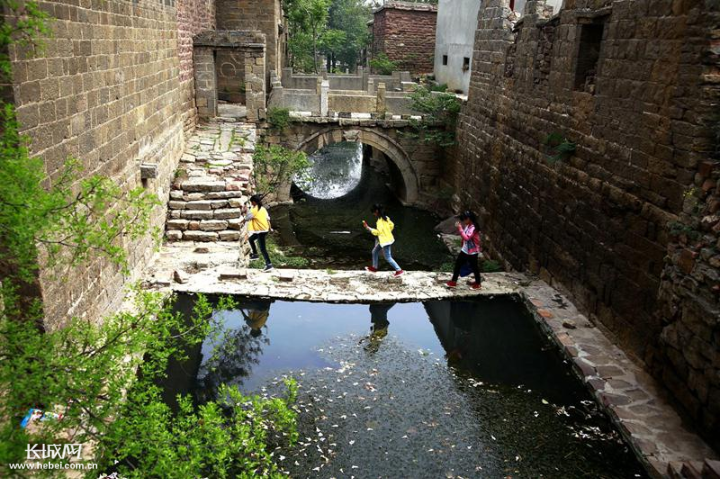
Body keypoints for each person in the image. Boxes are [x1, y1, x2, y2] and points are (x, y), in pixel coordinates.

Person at [363, 204, 404, 277]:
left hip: (385, 241)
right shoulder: (386, 218)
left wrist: (368, 228)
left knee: (388, 257)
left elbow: (378, 232)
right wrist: (387, 232)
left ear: (376, 211)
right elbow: (392, 225)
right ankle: (374, 268)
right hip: (386, 239)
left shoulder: (380, 222)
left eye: (373, 212)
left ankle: (399, 270)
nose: (373, 214)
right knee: (374, 251)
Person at [446, 210, 482, 289]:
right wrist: (462, 244)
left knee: (474, 267)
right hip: (465, 250)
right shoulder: (468, 225)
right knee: (458, 265)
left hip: (472, 252)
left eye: (464, 219)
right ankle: (453, 281)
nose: (463, 221)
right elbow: (464, 236)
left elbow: (467, 238)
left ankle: (478, 283)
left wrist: (460, 228)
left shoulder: (473, 228)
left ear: (469, 219)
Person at [244, 194, 273, 272]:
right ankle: (255, 254)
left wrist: (245, 211)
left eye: (251, 202)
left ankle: (269, 264)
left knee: (263, 249)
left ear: (254, 202)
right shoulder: (263, 208)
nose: (251, 204)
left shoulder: (254, 209)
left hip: (261, 231)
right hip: (265, 229)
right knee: (251, 239)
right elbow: (268, 219)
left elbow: (247, 218)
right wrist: (270, 228)